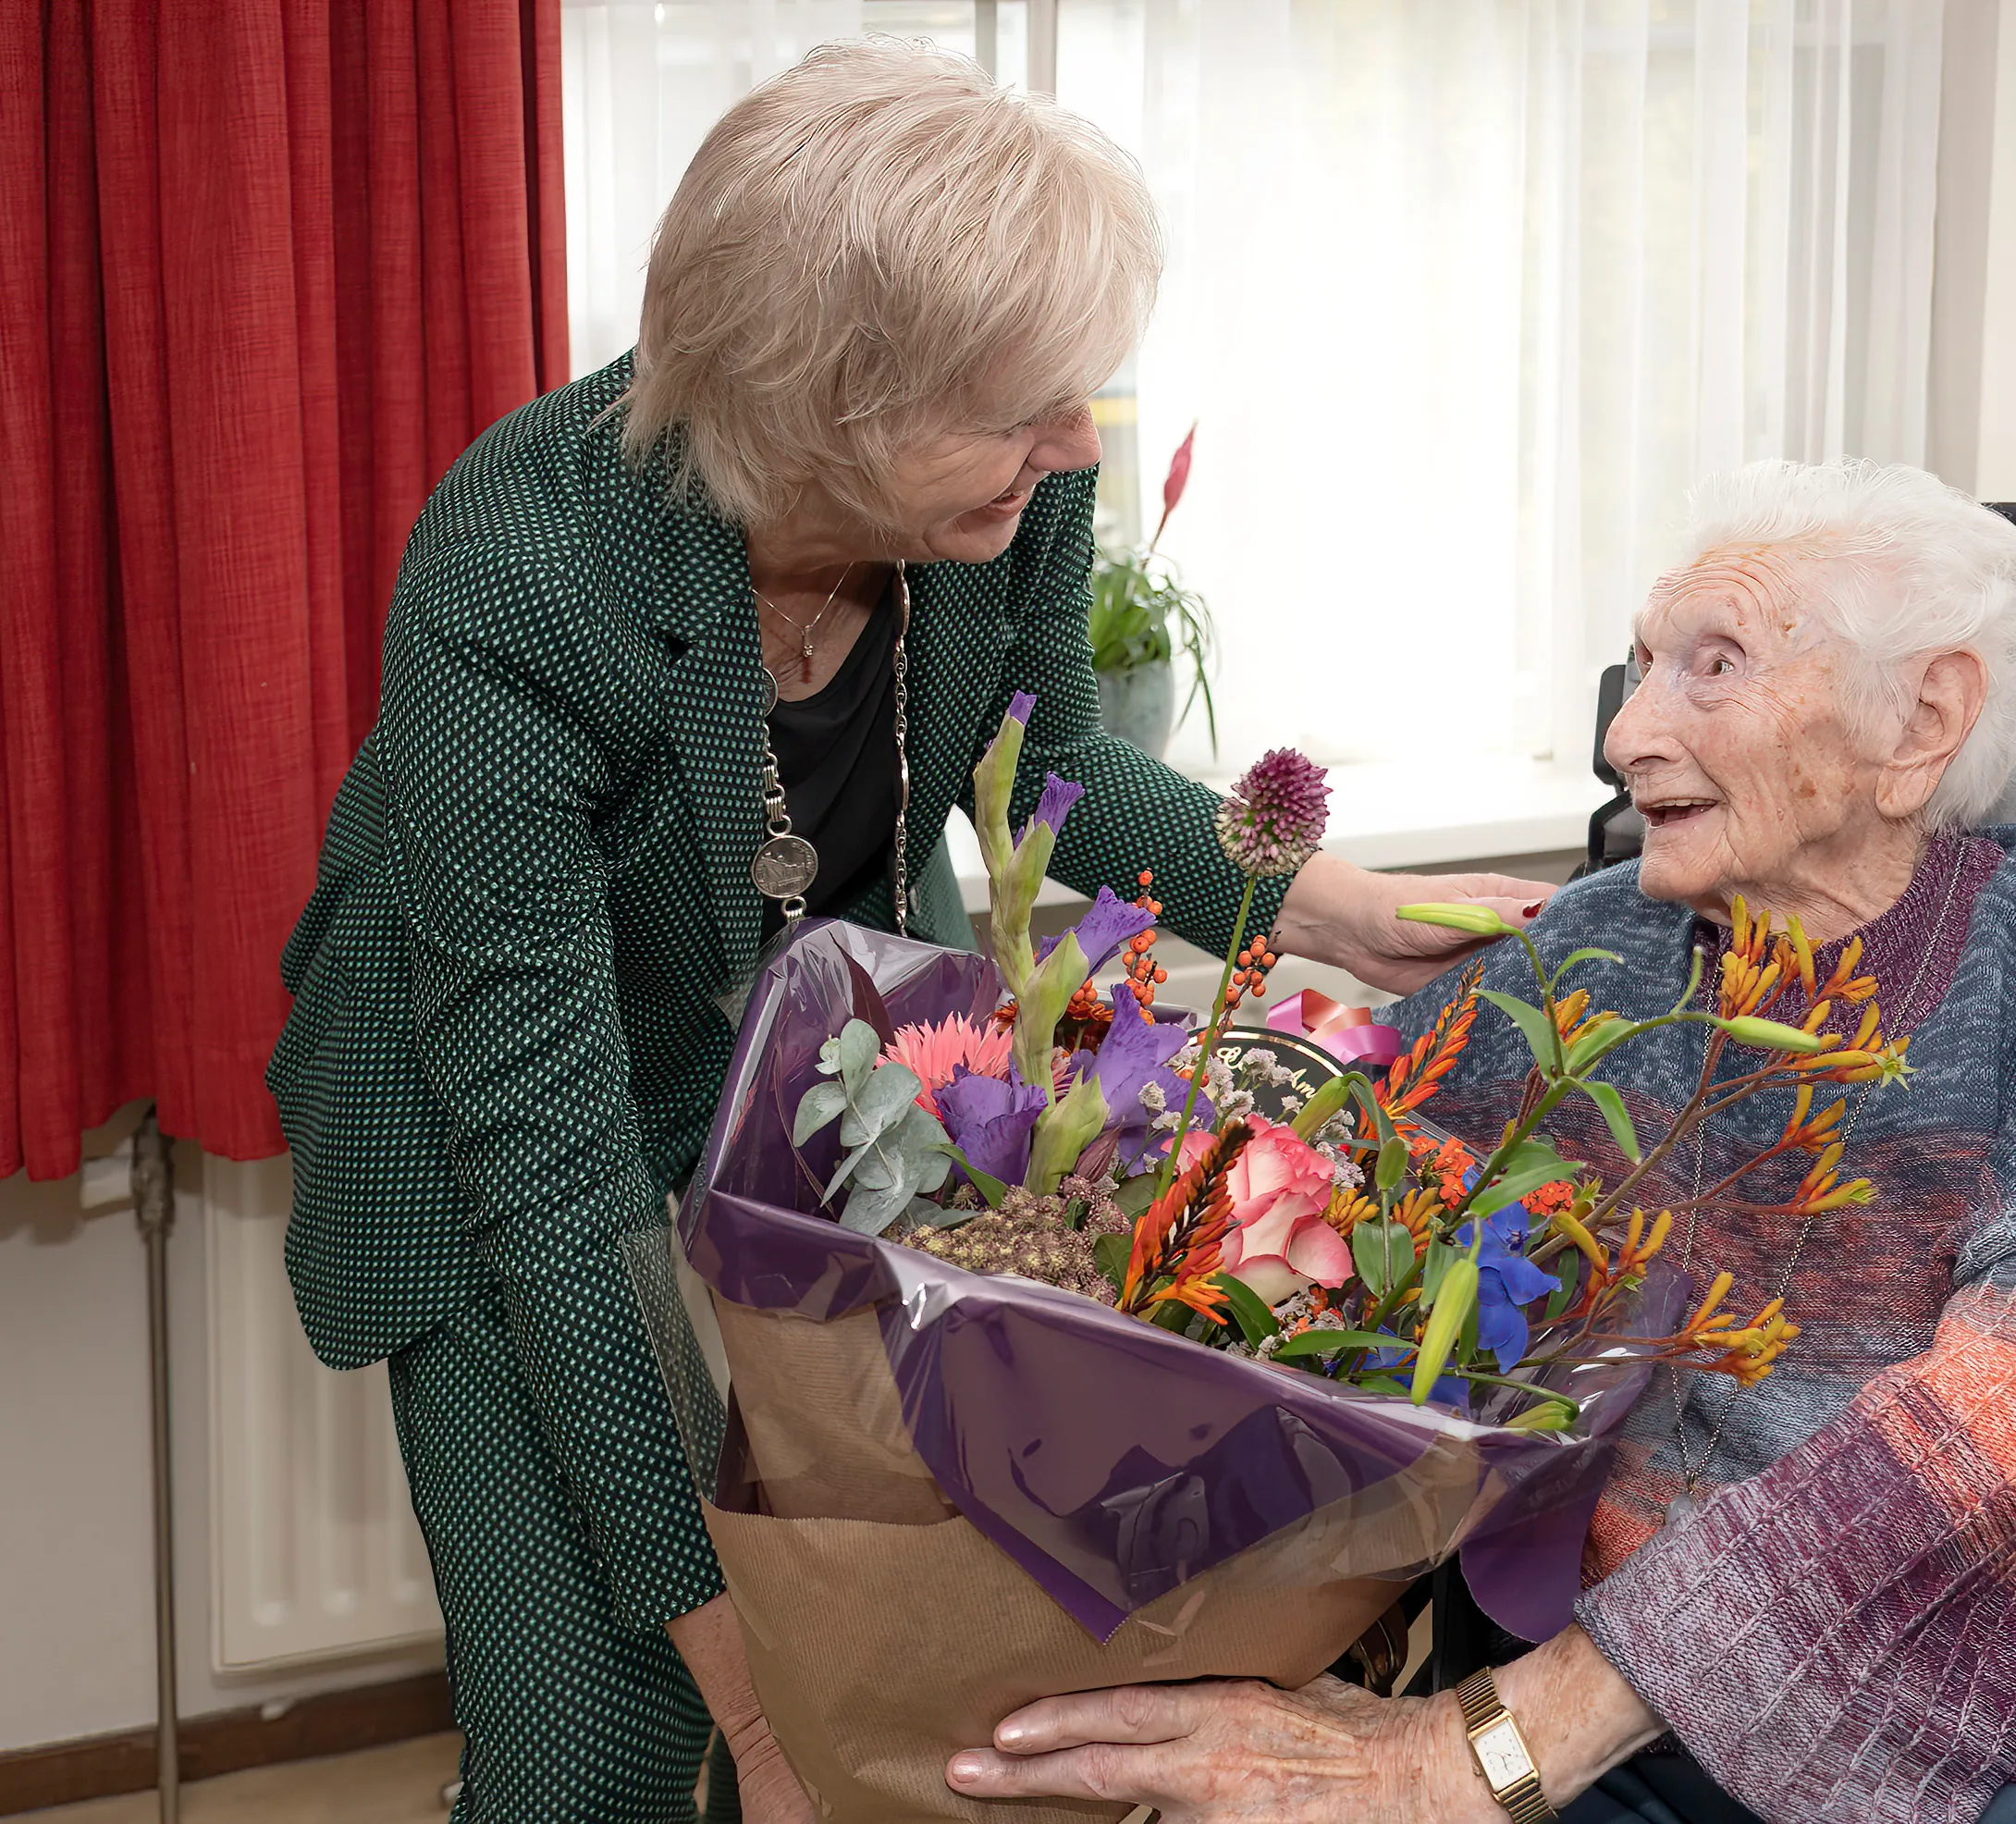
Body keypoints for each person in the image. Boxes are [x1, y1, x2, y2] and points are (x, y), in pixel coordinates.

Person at [265, 40, 1548, 1824]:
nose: (1071, 441)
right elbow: (551, 1176)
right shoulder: (522, 571)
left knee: (889, 1625)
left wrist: (1323, 904)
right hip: (511, 1136)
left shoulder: (1011, 479)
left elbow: (1046, 776)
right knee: (602, 1749)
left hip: (810, 1098)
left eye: (1073, 392)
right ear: (818, 400)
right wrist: (756, 1701)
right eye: (1018, 404)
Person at [944, 459, 2016, 1824]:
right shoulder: (1603, 952)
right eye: (1643, 665)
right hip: (1667, 1692)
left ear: (1921, 723)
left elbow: (1999, 1429)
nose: (1626, 733)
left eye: (1713, 665)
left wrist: (1470, 1760)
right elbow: (1341, 1202)